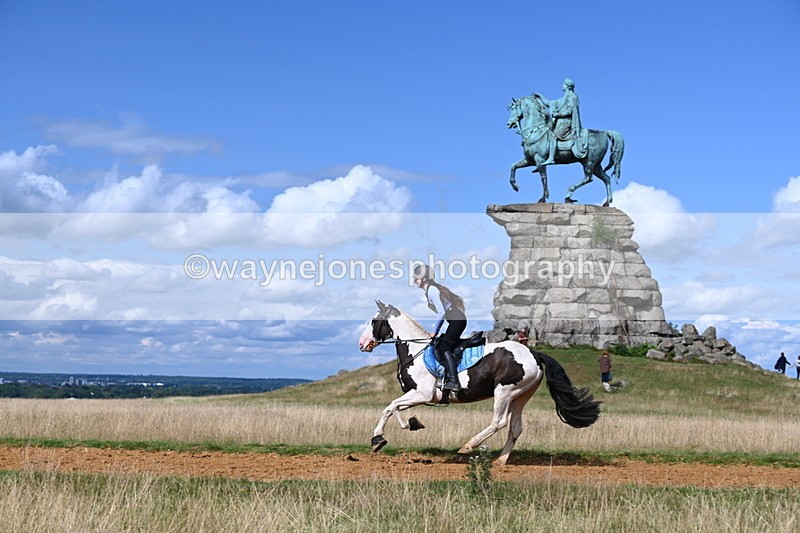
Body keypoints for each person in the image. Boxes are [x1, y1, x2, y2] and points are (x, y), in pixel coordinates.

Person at [413, 264, 466, 395]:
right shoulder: (430, 290)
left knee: (443, 348)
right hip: (455, 320)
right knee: (441, 345)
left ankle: (454, 381)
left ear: (424, 278)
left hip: (457, 320)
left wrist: (434, 331)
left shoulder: (432, 290)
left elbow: (441, 312)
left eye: (416, 278)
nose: (414, 280)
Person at [534, 78, 586, 165]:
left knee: (552, 135)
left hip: (566, 123)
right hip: (559, 122)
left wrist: (558, 114)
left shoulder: (572, 97)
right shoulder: (563, 98)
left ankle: (551, 158)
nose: (562, 86)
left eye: (563, 84)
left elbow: (570, 110)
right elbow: (550, 103)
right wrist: (541, 97)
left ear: (568, 86)